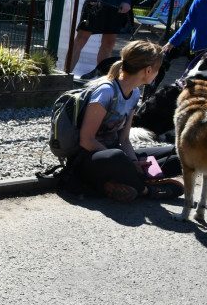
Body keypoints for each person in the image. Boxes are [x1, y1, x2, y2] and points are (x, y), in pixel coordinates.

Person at [69, 41, 184, 203]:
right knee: (117, 156)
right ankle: (146, 190)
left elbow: (124, 139)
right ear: (149, 70)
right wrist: (127, 162)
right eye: (158, 69)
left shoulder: (134, 93)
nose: (158, 73)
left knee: (178, 153)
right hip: (89, 160)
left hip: (118, 157)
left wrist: (134, 163)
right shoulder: (106, 92)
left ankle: (120, 183)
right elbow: (86, 140)